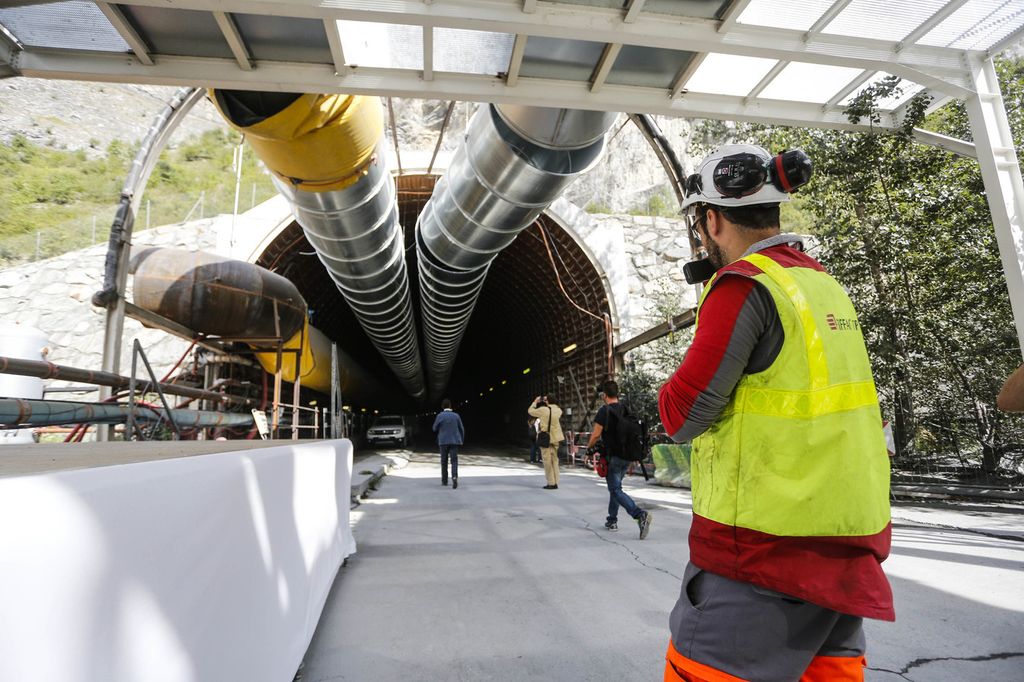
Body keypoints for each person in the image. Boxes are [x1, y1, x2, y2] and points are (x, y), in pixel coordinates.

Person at [658, 144, 893, 682]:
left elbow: (683, 414)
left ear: (711, 221)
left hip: (760, 559)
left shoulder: (743, 286)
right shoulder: (823, 286)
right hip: (843, 549)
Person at [586, 380, 652, 539]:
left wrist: (589, 449)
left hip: (613, 457)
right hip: (626, 456)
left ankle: (639, 515)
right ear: (617, 393)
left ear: (604, 395)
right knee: (615, 489)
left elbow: (596, 434)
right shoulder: (625, 408)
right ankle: (612, 520)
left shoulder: (604, 411)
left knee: (615, 489)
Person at [528, 395, 563, 489]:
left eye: (545, 399)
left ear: (548, 401)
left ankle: (551, 483)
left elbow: (530, 411)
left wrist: (535, 402)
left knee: (547, 461)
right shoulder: (559, 410)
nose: (544, 400)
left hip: (545, 437)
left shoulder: (543, 410)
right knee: (555, 460)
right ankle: (556, 481)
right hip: (556, 437)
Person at [432, 399, 465, 489]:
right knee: (454, 461)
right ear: (450, 406)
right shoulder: (456, 416)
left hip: (443, 442)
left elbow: (434, 428)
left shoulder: (440, 416)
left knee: (444, 461)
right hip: (454, 441)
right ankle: (454, 477)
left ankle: (444, 481)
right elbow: (461, 428)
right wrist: (461, 439)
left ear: (442, 406)